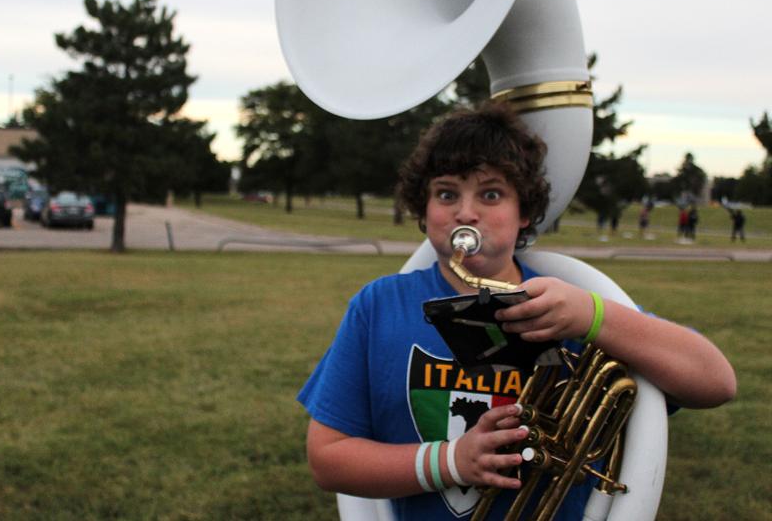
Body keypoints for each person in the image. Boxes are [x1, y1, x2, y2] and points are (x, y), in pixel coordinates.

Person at [297, 103, 736, 520]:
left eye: (491, 194)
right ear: (424, 209)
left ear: (524, 212)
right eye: (446, 194)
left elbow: (716, 382)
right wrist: (450, 461)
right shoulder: (378, 306)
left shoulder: (569, 306)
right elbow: (327, 459)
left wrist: (593, 318)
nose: (465, 212)